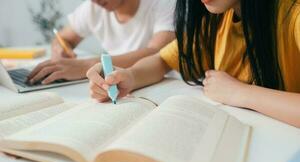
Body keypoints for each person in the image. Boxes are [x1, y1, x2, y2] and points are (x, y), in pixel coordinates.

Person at [87, 0, 300, 128]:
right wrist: (129, 76)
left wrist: (242, 93)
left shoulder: (294, 14)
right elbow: (162, 60)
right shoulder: (218, 17)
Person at [27, 0, 175, 85]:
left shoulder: (164, 3)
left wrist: (87, 65)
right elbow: (62, 38)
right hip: (115, 84)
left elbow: (158, 53)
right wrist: (60, 49)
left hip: (159, 84)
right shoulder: (93, 7)